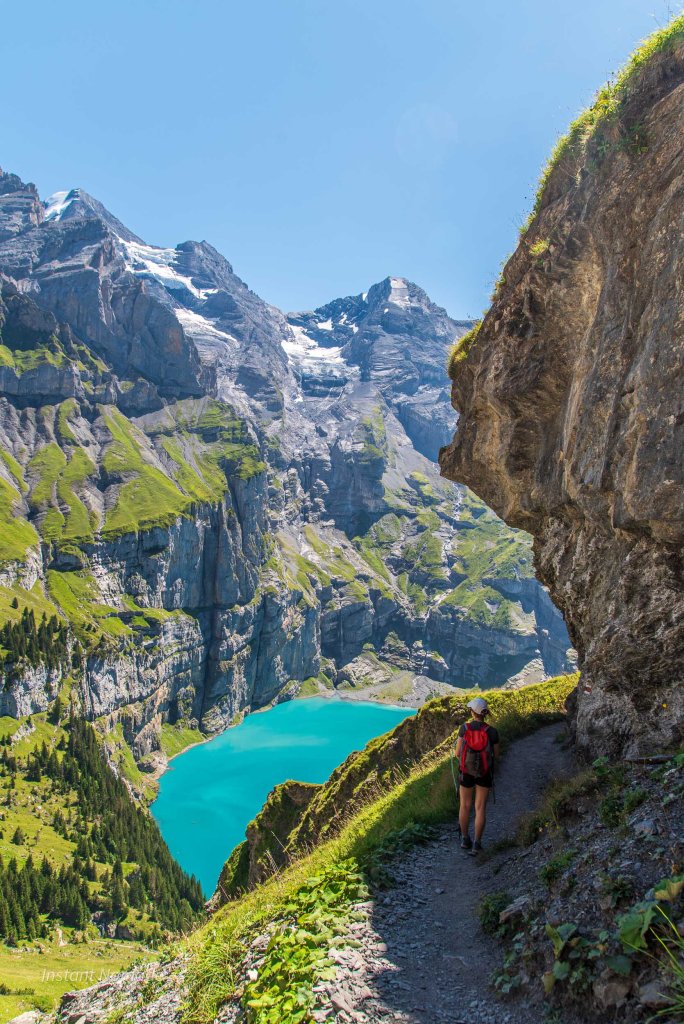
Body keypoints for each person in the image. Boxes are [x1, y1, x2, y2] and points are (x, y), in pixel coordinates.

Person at [454, 697, 500, 855]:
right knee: (480, 808)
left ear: (473, 712)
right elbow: (496, 755)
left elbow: (457, 753)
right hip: (485, 772)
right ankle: (477, 844)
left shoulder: (464, 728)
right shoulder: (492, 732)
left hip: (466, 772)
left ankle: (465, 839)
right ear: (485, 713)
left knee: (464, 805)